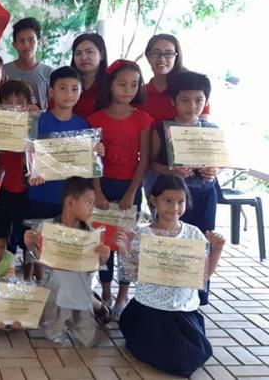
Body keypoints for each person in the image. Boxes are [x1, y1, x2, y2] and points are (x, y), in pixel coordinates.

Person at [118, 175, 224, 378]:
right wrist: (124, 250)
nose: (174, 208)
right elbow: (132, 274)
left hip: (181, 308)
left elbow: (204, 275)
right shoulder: (141, 234)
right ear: (153, 200)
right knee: (161, 353)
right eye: (168, 201)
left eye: (180, 202)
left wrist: (217, 250)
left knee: (185, 359)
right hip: (150, 306)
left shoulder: (194, 234)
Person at [88, 60, 154, 315]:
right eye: (122, 84)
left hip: (130, 187)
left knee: (125, 242)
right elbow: (92, 160)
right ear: (110, 85)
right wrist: (97, 192)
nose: (128, 89)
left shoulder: (143, 119)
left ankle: (123, 295)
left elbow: (144, 159)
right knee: (104, 242)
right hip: (103, 186)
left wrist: (130, 193)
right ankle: (105, 289)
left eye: (134, 85)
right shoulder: (96, 118)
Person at [149, 71, 218, 304]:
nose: (192, 106)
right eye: (185, 100)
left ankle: (197, 297)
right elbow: (151, 164)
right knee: (172, 243)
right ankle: (167, 294)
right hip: (172, 198)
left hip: (205, 195)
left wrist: (215, 170)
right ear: (173, 101)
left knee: (201, 243)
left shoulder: (212, 130)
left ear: (206, 101)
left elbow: (220, 163)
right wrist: (171, 171)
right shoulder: (161, 129)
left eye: (199, 100)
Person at [23, 177, 111, 347]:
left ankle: (96, 305)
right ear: (71, 202)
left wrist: (103, 256)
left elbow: (95, 266)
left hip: (80, 294)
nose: (92, 208)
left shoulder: (92, 234)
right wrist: (30, 244)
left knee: (89, 341)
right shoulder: (46, 228)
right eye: (88, 203)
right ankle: (89, 304)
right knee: (51, 335)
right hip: (56, 293)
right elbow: (39, 258)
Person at [27, 67, 90, 221]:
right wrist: (32, 171)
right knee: (38, 241)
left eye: (74, 89)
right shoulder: (37, 120)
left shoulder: (84, 125)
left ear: (81, 92)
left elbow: (85, 163)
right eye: (62, 88)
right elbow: (28, 151)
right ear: (51, 92)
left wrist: (95, 152)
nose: (69, 93)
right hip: (40, 193)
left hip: (71, 200)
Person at [0, 80, 36, 258]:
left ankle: (29, 271)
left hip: (26, 188)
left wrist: (34, 120)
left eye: (19, 103)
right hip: (1, 187)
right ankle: (7, 266)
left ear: (28, 105)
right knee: (3, 230)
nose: (14, 108)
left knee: (25, 232)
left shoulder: (34, 124)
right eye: (8, 103)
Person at [138, 34, 210, 124]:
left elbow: (203, 131)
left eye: (168, 53)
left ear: (176, 57)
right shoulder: (139, 93)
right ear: (148, 57)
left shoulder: (193, 89)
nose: (162, 59)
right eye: (156, 53)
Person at [3, 18, 53, 109]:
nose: (26, 45)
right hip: (7, 123)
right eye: (21, 40)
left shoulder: (49, 73)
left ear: (39, 42)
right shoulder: (3, 71)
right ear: (14, 44)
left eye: (31, 40)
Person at [70, 34, 108, 119]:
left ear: (101, 55)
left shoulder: (112, 84)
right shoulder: (65, 83)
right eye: (78, 53)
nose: (83, 57)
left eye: (89, 51)